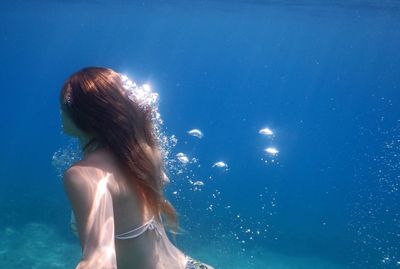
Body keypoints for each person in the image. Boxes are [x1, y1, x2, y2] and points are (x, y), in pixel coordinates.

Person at [59, 67, 213, 269]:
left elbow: (100, 260)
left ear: (84, 114)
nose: (61, 112)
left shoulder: (83, 174)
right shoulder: (144, 154)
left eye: (64, 106)